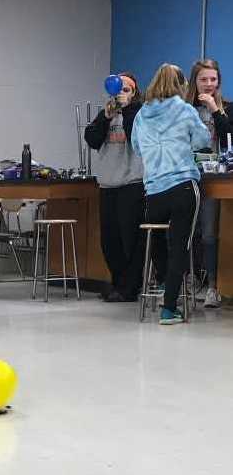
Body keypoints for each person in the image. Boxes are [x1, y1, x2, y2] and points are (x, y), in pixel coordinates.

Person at [131, 63, 210, 325]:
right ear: (181, 84)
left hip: (153, 190)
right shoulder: (185, 110)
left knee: (157, 242)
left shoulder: (142, 114)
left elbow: (136, 147)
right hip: (182, 186)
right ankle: (168, 309)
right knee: (180, 245)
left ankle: (164, 283)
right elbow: (202, 141)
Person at [84, 72, 145, 302]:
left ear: (134, 93)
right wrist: (106, 117)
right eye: (119, 90)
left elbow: (134, 137)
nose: (121, 94)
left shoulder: (139, 113)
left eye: (126, 90)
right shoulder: (106, 114)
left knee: (130, 238)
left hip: (132, 182)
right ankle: (119, 283)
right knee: (109, 240)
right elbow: (91, 139)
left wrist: (127, 108)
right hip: (108, 183)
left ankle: (130, 287)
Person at [185, 59, 233, 308]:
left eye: (213, 79)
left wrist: (215, 109)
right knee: (188, 231)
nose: (209, 83)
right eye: (204, 79)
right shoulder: (184, 108)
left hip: (213, 179)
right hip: (186, 177)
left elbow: (228, 140)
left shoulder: (226, 108)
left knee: (209, 233)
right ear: (195, 81)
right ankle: (190, 279)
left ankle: (213, 285)